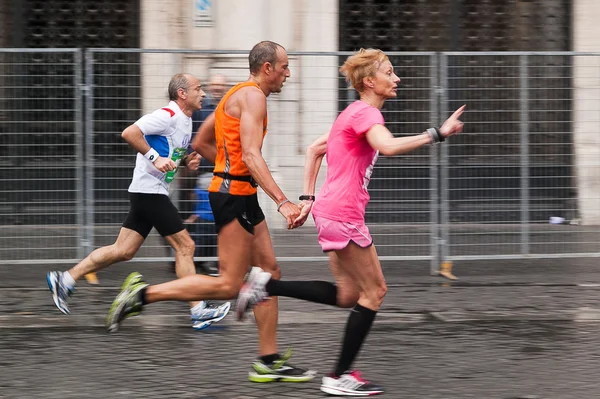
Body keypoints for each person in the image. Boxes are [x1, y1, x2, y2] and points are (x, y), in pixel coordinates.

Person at [234, 48, 466, 396]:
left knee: (347, 295)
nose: (397, 78)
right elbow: (385, 147)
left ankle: (265, 287)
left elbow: (314, 149)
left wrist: (309, 199)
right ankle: (338, 375)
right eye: (390, 72)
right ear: (369, 81)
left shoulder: (352, 114)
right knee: (375, 292)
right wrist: (438, 133)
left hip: (332, 211)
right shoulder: (366, 115)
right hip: (343, 214)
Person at [105, 41, 316, 383]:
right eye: (284, 67)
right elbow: (250, 155)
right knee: (229, 284)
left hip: (239, 191)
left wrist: (227, 167)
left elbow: (203, 143)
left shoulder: (236, 95)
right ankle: (141, 295)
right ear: (267, 68)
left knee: (269, 272)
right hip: (232, 194)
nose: (287, 74)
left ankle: (268, 358)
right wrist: (282, 200)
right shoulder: (253, 97)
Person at [46, 73, 231, 331]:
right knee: (186, 246)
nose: (203, 93)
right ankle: (198, 310)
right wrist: (154, 158)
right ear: (182, 94)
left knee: (123, 250)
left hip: (149, 191)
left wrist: (186, 161)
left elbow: (170, 156)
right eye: (198, 89)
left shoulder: (186, 121)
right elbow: (130, 132)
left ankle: (64, 279)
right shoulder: (166, 115)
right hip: (149, 193)